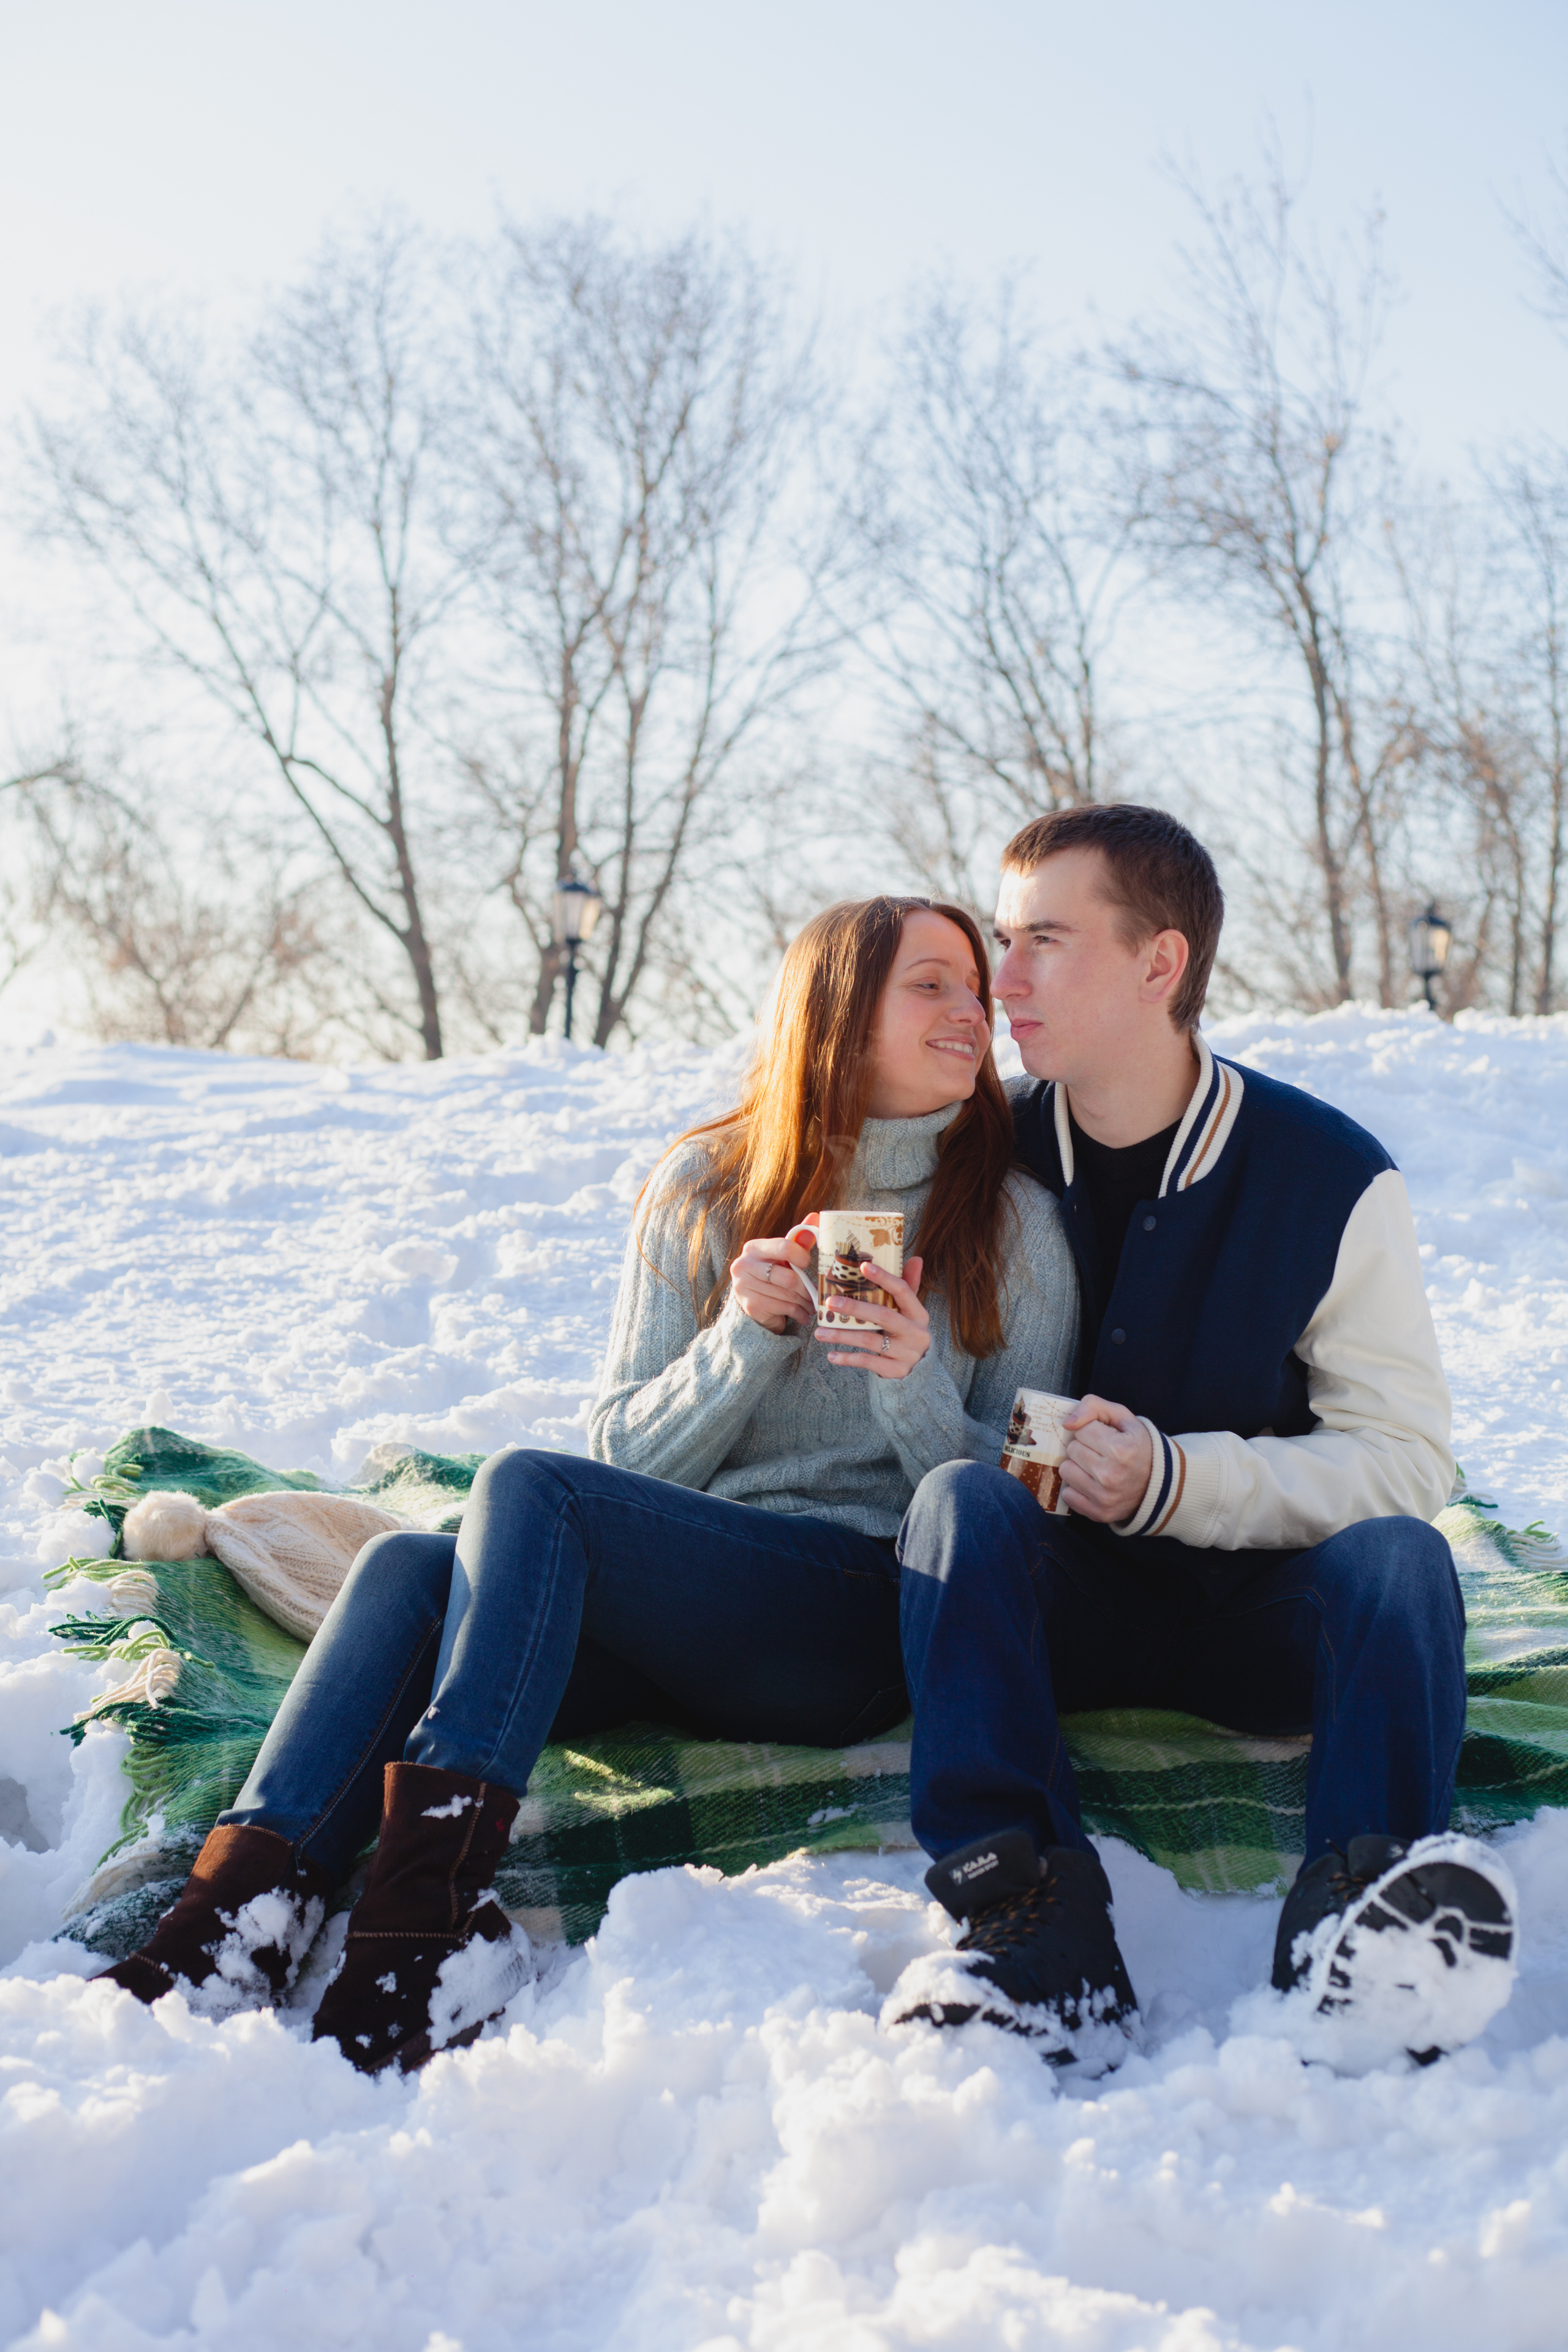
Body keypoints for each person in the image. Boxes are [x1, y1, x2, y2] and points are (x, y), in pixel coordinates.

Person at [98, 895, 1079, 2073]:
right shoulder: (705, 1189)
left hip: (851, 1619)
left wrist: (913, 1383)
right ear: (836, 1009)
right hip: (682, 1612)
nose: (973, 1011)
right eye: (934, 983)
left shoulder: (1017, 1227)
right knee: (414, 1565)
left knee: (524, 1488)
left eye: (977, 988)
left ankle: (424, 1910)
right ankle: (235, 1919)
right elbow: (622, 1463)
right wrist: (738, 1342)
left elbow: (1014, 1515)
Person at [889, 804, 1517, 2069]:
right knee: (963, 1503)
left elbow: (1401, 1455)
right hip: (1049, 1610)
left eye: (1043, 944)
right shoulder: (976, 1151)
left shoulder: (1328, 1175)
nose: (1000, 982)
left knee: (1403, 1557)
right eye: (1002, 942)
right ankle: (1027, 1925)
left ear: (1157, 964)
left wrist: (1177, 1479)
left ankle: (1359, 1918)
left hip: (1256, 1622)